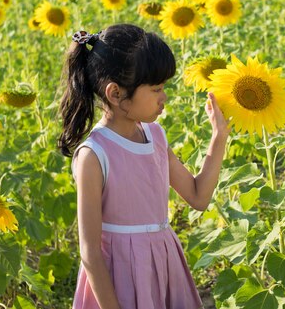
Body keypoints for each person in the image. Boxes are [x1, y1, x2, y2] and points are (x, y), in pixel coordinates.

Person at [58, 24, 230, 309]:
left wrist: (219, 137)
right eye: (156, 89)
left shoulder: (156, 136)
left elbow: (199, 196)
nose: (164, 97)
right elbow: (90, 254)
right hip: (118, 280)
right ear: (115, 94)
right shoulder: (94, 155)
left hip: (163, 267)